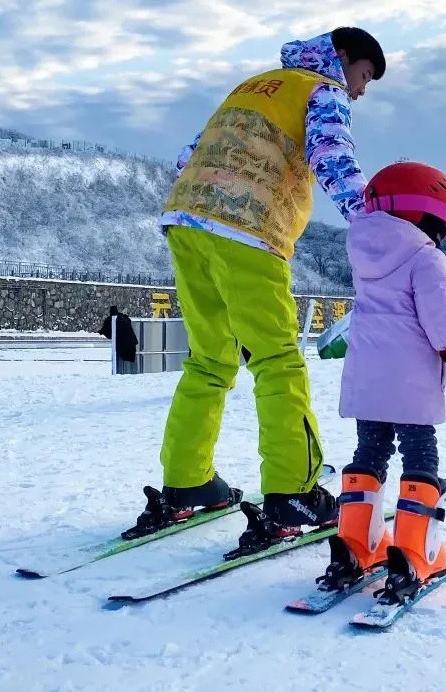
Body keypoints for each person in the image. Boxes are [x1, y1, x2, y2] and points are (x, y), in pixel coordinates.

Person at [123, 28, 386, 541]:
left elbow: (189, 155)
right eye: (363, 76)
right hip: (248, 229)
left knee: (209, 360)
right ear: (343, 59)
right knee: (277, 359)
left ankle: (187, 483)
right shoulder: (320, 90)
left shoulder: (255, 84)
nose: (360, 91)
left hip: (185, 219)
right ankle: (294, 494)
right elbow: (332, 156)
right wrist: (374, 223)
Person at [325, 162, 446, 599]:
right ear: (431, 211)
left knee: (370, 452)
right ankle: (415, 553)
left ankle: (355, 547)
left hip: (366, 376)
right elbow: (440, 321)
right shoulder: (426, 257)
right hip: (409, 381)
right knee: (419, 454)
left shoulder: (364, 250)